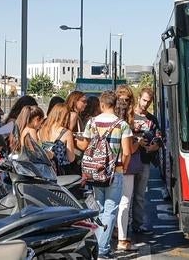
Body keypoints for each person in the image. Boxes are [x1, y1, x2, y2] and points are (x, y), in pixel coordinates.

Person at [76, 90, 133, 259]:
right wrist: (124, 167)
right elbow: (127, 152)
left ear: (101, 104)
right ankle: (103, 250)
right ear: (115, 104)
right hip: (115, 172)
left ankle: (99, 247)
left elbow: (84, 145)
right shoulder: (122, 125)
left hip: (95, 173)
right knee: (110, 210)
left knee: (100, 209)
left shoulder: (92, 122)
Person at [131, 87, 162, 236]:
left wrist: (155, 146)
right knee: (127, 196)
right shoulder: (129, 115)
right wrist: (137, 141)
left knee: (139, 195)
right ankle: (123, 225)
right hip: (129, 160)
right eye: (144, 100)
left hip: (144, 160)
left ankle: (137, 224)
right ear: (138, 98)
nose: (146, 104)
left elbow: (160, 137)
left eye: (149, 102)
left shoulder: (152, 119)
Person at [115, 85, 142, 251]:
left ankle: (113, 235)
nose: (125, 103)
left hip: (109, 165)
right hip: (125, 165)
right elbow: (130, 150)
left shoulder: (101, 119)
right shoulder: (124, 123)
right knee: (124, 202)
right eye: (122, 99)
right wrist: (137, 142)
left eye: (127, 99)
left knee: (111, 203)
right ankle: (122, 239)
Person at [38, 103, 76, 175]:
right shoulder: (66, 133)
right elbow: (71, 158)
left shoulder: (41, 130)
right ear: (66, 116)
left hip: (45, 169)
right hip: (61, 170)